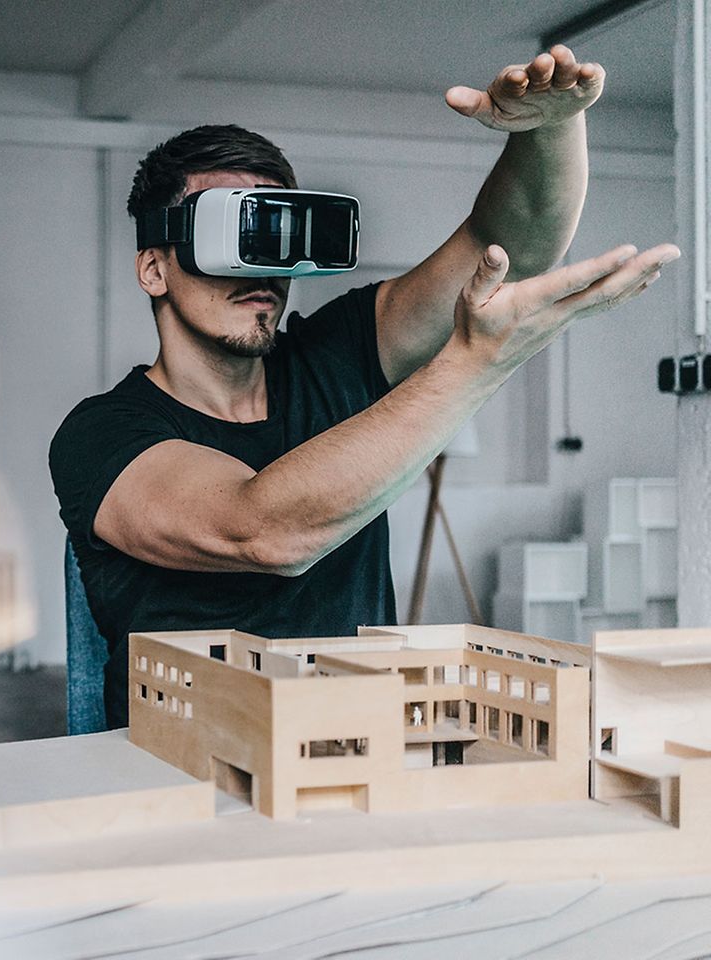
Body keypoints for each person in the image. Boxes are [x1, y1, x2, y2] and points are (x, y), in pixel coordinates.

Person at [50, 46, 680, 729]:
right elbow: (263, 531)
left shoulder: (339, 353)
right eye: (233, 233)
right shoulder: (101, 434)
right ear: (154, 268)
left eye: (277, 234)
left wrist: (551, 130)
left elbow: (509, 247)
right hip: (179, 778)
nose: (260, 266)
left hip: (349, 758)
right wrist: (476, 364)